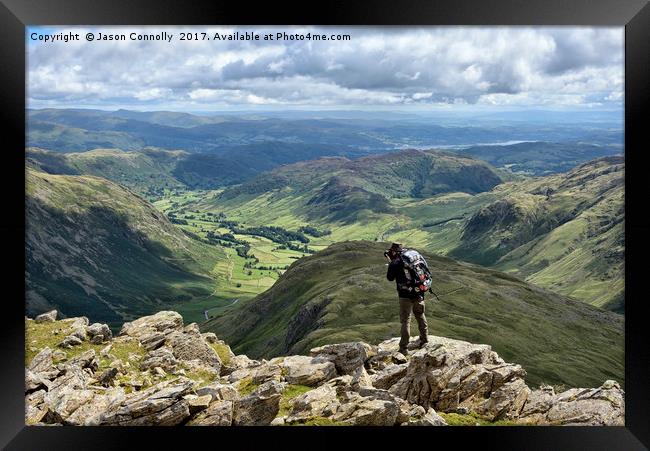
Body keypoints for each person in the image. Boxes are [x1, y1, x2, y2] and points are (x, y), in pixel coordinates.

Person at [385, 242, 428, 355]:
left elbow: (390, 278)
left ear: (394, 251)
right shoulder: (412, 258)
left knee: (406, 321)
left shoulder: (395, 262)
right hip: (419, 292)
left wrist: (391, 263)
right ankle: (424, 340)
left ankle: (403, 348)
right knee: (420, 315)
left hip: (405, 295)